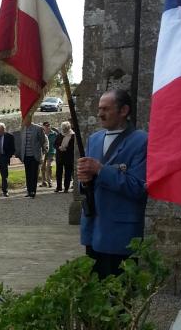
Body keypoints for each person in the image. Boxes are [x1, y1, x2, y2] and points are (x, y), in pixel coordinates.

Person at [77, 88, 148, 279]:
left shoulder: (141, 141)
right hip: (93, 230)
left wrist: (100, 170)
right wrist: (83, 181)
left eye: (106, 109)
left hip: (120, 234)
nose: (100, 114)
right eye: (99, 109)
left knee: (118, 301)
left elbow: (138, 188)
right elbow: (86, 185)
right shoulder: (94, 139)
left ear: (123, 111)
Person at [14, 115, 49, 198]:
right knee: (28, 174)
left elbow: (42, 140)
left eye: (24, 120)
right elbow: (21, 142)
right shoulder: (23, 129)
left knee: (34, 174)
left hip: (34, 155)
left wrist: (43, 152)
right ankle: (29, 191)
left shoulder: (38, 128)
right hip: (26, 156)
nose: (23, 122)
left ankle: (33, 191)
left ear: (29, 120)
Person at [54, 121, 75, 193]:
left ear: (68, 128)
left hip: (68, 157)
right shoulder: (59, 135)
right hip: (59, 156)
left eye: (65, 128)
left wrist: (66, 148)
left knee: (68, 173)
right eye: (63, 128)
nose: (64, 130)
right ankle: (58, 187)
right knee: (58, 172)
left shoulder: (72, 136)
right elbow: (55, 144)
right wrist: (59, 147)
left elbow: (73, 147)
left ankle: (66, 187)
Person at [40, 122, 59, 188]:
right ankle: (43, 181)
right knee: (42, 168)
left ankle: (49, 182)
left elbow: (58, 142)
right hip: (43, 152)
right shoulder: (41, 134)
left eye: (48, 126)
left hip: (51, 152)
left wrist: (56, 150)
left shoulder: (54, 134)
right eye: (46, 126)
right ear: (43, 127)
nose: (47, 127)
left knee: (49, 166)